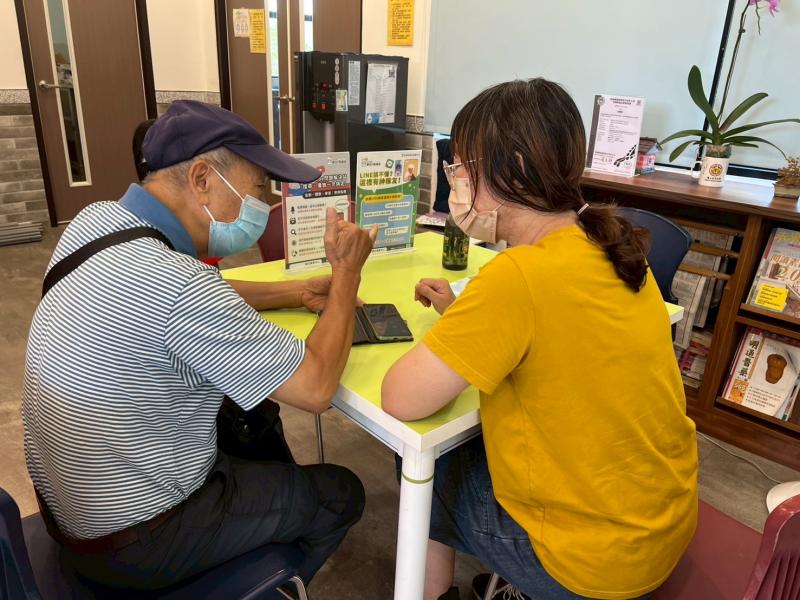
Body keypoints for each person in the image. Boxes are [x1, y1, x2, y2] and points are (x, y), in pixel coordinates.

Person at [22, 100, 377, 591]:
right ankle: (264, 587)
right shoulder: (177, 284)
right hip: (136, 539)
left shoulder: (95, 224)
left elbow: (181, 303)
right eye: (257, 191)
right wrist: (345, 274)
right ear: (204, 179)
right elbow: (316, 387)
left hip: (71, 511)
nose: (261, 206)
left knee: (250, 413)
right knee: (341, 493)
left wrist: (295, 291)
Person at [382, 79, 698, 600]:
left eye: (462, 165)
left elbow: (402, 398)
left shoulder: (516, 277)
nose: (455, 179)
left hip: (590, 565)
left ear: (517, 169)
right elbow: (562, 334)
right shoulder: (609, 246)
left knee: (423, 461)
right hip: (660, 526)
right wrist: (463, 314)